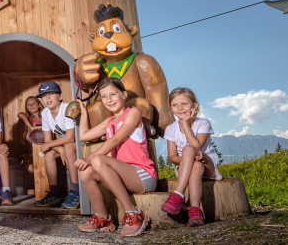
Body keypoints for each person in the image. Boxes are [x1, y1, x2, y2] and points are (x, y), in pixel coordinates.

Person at [75, 77, 157, 237]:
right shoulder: (109, 122)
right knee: (85, 172)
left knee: (96, 160)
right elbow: (84, 136)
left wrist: (89, 158)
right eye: (104, 96)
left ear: (124, 94)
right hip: (122, 177)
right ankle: (103, 218)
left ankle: (133, 213)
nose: (108, 100)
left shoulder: (133, 113)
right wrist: (83, 113)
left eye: (113, 94)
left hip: (143, 176)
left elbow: (117, 139)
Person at [160, 87, 220, 227]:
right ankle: (195, 211)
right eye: (175, 105)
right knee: (195, 165)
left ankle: (178, 194)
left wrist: (185, 124)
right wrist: (189, 160)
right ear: (171, 108)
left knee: (189, 149)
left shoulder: (203, 123)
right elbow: (173, 157)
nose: (180, 108)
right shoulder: (170, 129)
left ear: (195, 105)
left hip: (208, 163)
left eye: (184, 104)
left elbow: (197, 146)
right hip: (187, 167)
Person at [35, 81, 80, 209]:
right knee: (48, 153)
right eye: (44, 96)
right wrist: (59, 149)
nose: (47, 98)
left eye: (51, 94)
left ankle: (76, 191)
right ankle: (54, 193)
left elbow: (71, 137)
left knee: (68, 146)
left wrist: (60, 147)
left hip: (80, 143)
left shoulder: (67, 108)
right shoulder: (45, 113)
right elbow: (47, 140)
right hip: (65, 145)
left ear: (60, 96)